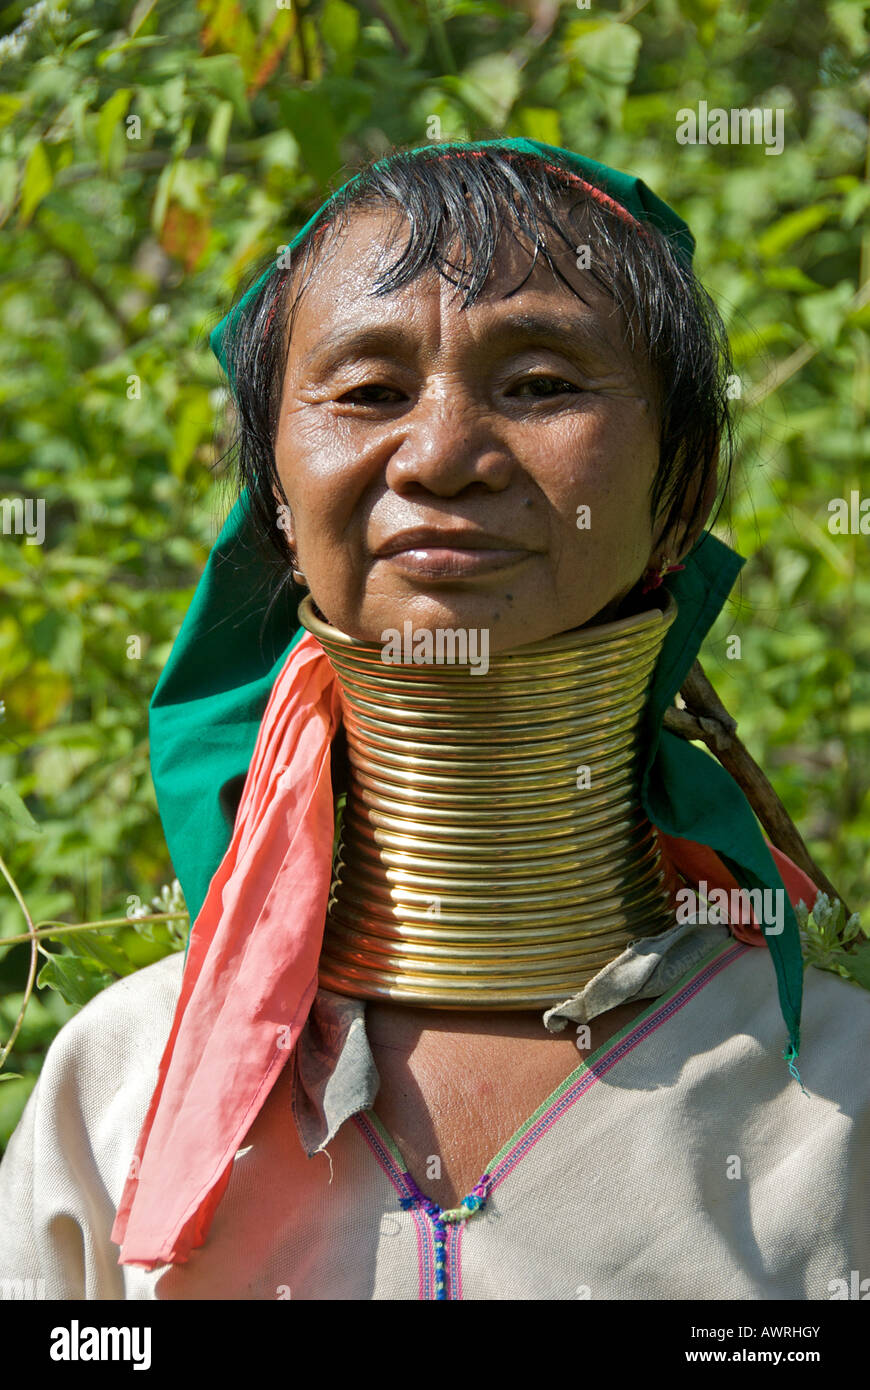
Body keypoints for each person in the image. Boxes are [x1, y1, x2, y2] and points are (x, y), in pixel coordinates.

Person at [0, 139, 867, 1301]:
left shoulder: (838, 1105)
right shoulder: (121, 1089)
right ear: (275, 496)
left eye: (543, 384)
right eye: (366, 392)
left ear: (686, 481)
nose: (446, 454)